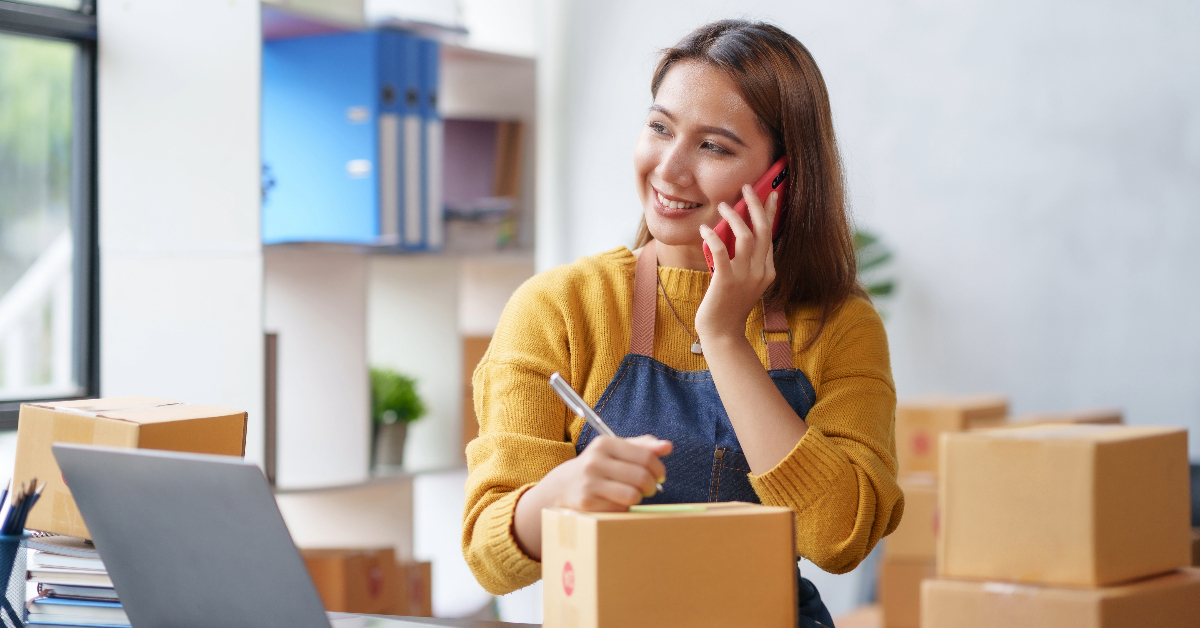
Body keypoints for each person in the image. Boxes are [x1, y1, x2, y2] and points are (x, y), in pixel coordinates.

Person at [462, 19, 902, 627]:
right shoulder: (559, 308)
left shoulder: (839, 324)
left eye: (714, 146)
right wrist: (560, 494)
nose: (669, 169)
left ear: (782, 177)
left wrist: (723, 337)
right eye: (659, 128)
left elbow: (838, 536)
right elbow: (488, 554)